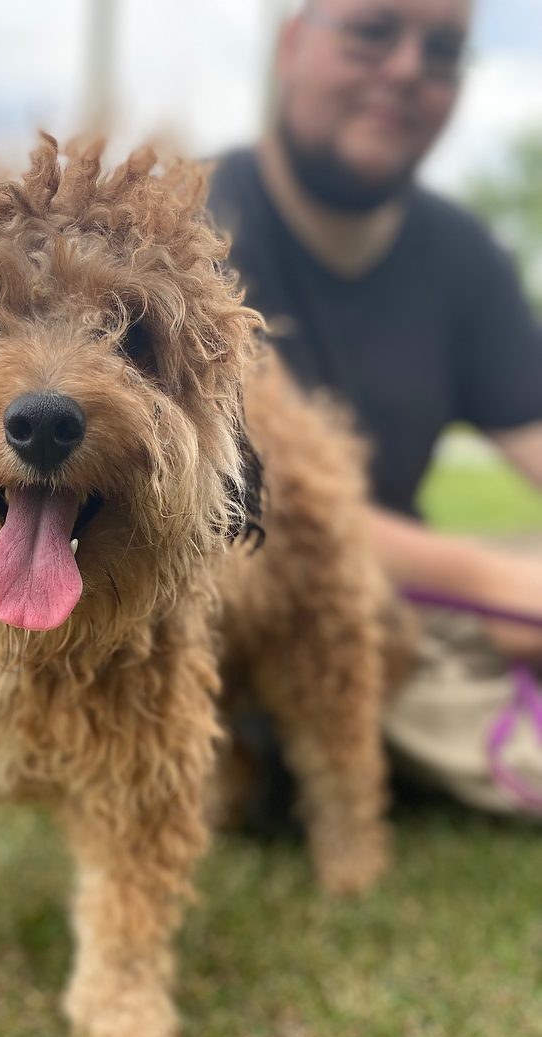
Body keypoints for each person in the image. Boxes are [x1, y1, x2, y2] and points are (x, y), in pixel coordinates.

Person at [208, 0, 542, 664]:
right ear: (292, 44)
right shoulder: (174, 238)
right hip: (216, 640)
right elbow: (224, 495)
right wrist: (488, 581)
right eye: (371, 32)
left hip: (392, 636)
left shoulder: (466, 256)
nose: (407, 69)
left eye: (443, 50)